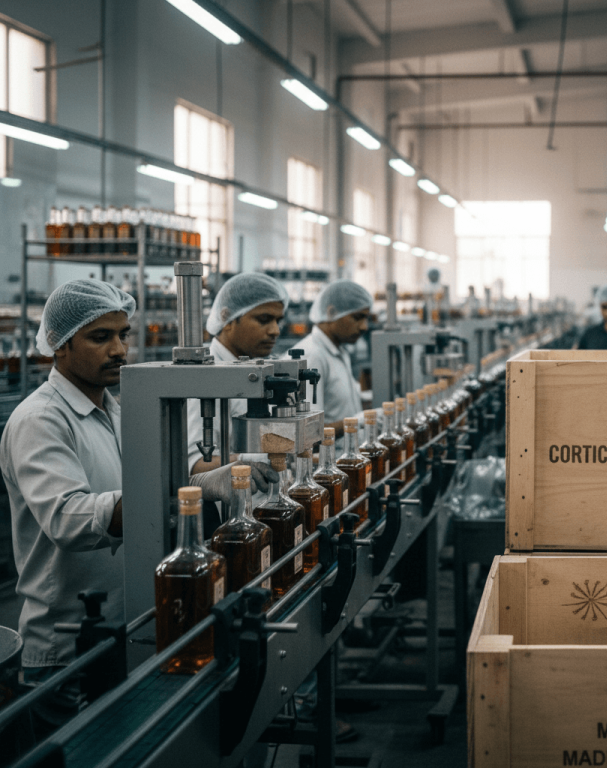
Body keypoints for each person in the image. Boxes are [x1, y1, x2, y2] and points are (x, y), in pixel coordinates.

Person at [0, 279, 275, 734]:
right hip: (68, 646)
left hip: (129, 624)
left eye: (123, 334)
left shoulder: (117, 409)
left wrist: (206, 481)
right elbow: (67, 519)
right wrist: (171, 497)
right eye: (99, 336)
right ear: (59, 345)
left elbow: (151, 483)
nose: (118, 349)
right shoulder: (39, 419)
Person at [187, 272, 290, 475]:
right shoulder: (203, 376)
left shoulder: (252, 367)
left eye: (278, 320)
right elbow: (194, 464)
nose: (275, 331)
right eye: (264, 319)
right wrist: (244, 461)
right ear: (227, 318)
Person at [291, 280, 373, 436]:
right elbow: (308, 431)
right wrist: (358, 422)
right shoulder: (312, 356)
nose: (364, 327)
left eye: (366, 318)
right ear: (331, 312)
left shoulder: (340, 351)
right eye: (358, 317)